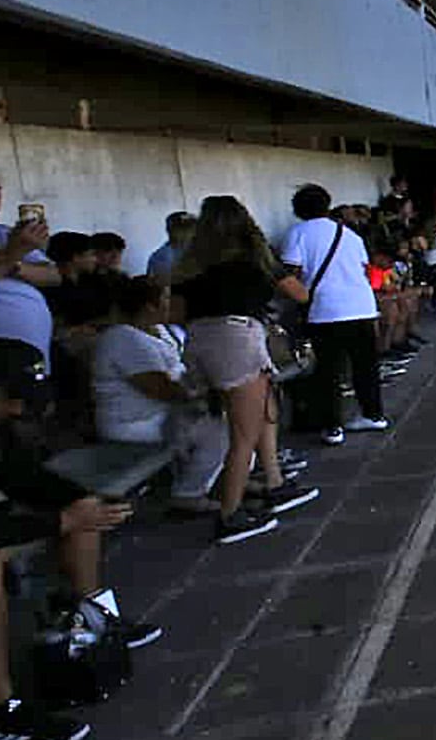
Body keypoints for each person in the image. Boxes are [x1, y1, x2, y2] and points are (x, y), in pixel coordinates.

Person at [0, 337, 153, 740]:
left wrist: (81, 502)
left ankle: (94, 620)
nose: (18, 410)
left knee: (81, 509)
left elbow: (23, 479)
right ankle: (0, 712)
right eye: (12, 399)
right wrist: (61, 519)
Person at [175, 196, 318, 543]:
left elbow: (176, 313)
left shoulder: (192, 265)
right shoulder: (255, 257)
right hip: (238, 338)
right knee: (244, 434)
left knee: (264, 408)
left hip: (200, 340)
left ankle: (274, 482)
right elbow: (299, 294)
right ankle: (230, 515)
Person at [92, 275, 233, 515]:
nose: (173, 302)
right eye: (166, 298)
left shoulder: (159, 329)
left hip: (167, 414)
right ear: (150, 306)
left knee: (230, 413)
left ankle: (226, 479)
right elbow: (160, 389)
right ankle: (189, 494)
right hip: (134, 423)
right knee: (217, 427)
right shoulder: (122, 338)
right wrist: (200, 391)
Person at [282, 184, 389, 445]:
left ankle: (332, 427)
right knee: (365, 364)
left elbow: (290, 271)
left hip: (325, 310)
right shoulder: (349, 234)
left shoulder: (297, 233)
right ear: (327, 206)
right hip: (361, 306)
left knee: (327, 370)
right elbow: (364, 268)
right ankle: (373, 414)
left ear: (298, 209)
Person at [0, 169, 58, 358]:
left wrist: (14, 264)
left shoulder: (4, 234)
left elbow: (54, 276)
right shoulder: (14, 242)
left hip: (30, 346)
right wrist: (12, 254)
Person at [146, 211, 196, 281]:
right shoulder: (160, 258)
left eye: (190, 228)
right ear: (170, 231)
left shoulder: (201, 251)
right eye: (182, 229)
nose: (188, 233)